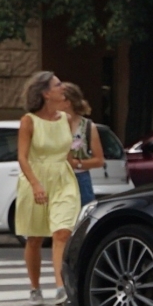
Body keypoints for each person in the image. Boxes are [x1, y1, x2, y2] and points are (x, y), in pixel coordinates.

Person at [14, 70, 80, 305]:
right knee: (35, 238)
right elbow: (22, 157)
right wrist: (35, 184)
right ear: (46, 93)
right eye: (58, 84)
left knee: (62, 232)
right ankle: (35, 287)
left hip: (63, 179)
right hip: (36, 178)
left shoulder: (66, 118)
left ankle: (61, 287)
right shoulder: (29, 121)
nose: (63, 87)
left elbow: (68, 154)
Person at [62, 82, 104, 210]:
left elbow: (99, 160)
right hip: (57, 178)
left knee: (82, 219)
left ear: (67, 102)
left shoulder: (87, 127)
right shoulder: (51, 124)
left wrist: (76, 163)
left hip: (80, 178)